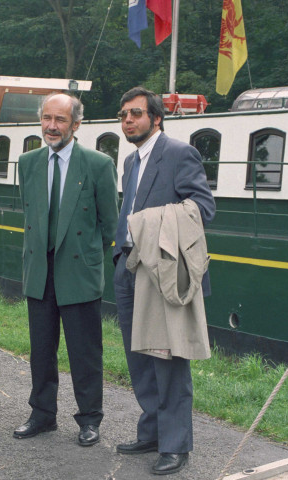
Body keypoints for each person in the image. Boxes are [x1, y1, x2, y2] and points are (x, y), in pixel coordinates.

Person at [112, 87, 215, 475]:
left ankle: (175, 446)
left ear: (156, 118)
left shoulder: (178, 153)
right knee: (139, 356)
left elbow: (203, 207)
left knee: (169, 361)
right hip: (129, 267)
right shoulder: (129, 162)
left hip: (164, 272)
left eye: (136, 114)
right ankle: (152, 431)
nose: (128, 121)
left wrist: (152, 225)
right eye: (123, 115)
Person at [14, 93, 118, 446]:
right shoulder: (27, 163)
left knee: (84, 351)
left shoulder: (98, 164)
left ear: (76, 124)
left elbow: (109, 225)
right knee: (41, 350)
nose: (51, 126)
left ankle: (89, 419)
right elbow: (30, 216)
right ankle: (42, 415)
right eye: (46, 118)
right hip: (39, 273)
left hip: (79, 272)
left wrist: (87, 257)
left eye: (60, 120)